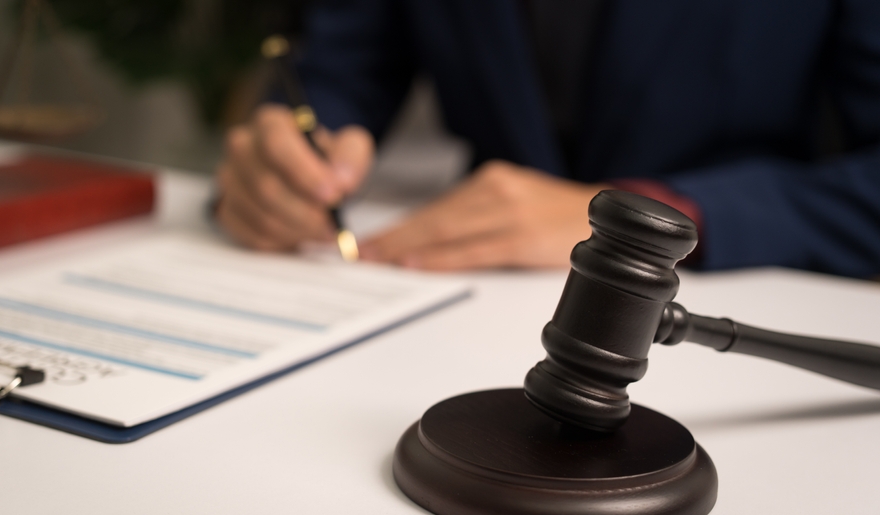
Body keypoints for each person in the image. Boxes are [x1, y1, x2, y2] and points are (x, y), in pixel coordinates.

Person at [215, 0, 880, 278]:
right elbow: (344, 64)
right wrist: (290, 156)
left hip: (731, 293)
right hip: (468, 293)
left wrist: (657, 215)